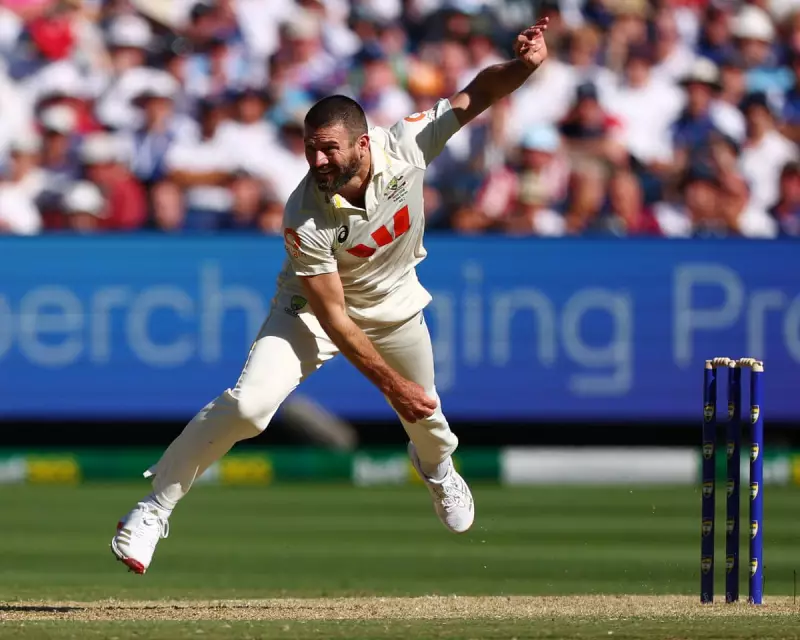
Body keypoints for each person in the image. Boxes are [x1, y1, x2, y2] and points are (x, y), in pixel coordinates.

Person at [110, 18, 550, 575]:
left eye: (328, 150)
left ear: (363, 144)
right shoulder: (302, 213)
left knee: (428, 420)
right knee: (248, 407)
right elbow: (335, 317)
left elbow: (477, 94)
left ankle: (438, 472)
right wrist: (393, 387)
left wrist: (525, 67)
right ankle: (153, 508)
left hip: (395, 306)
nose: (317, 162)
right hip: (312, 314)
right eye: (309, 150)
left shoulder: (408, 143)